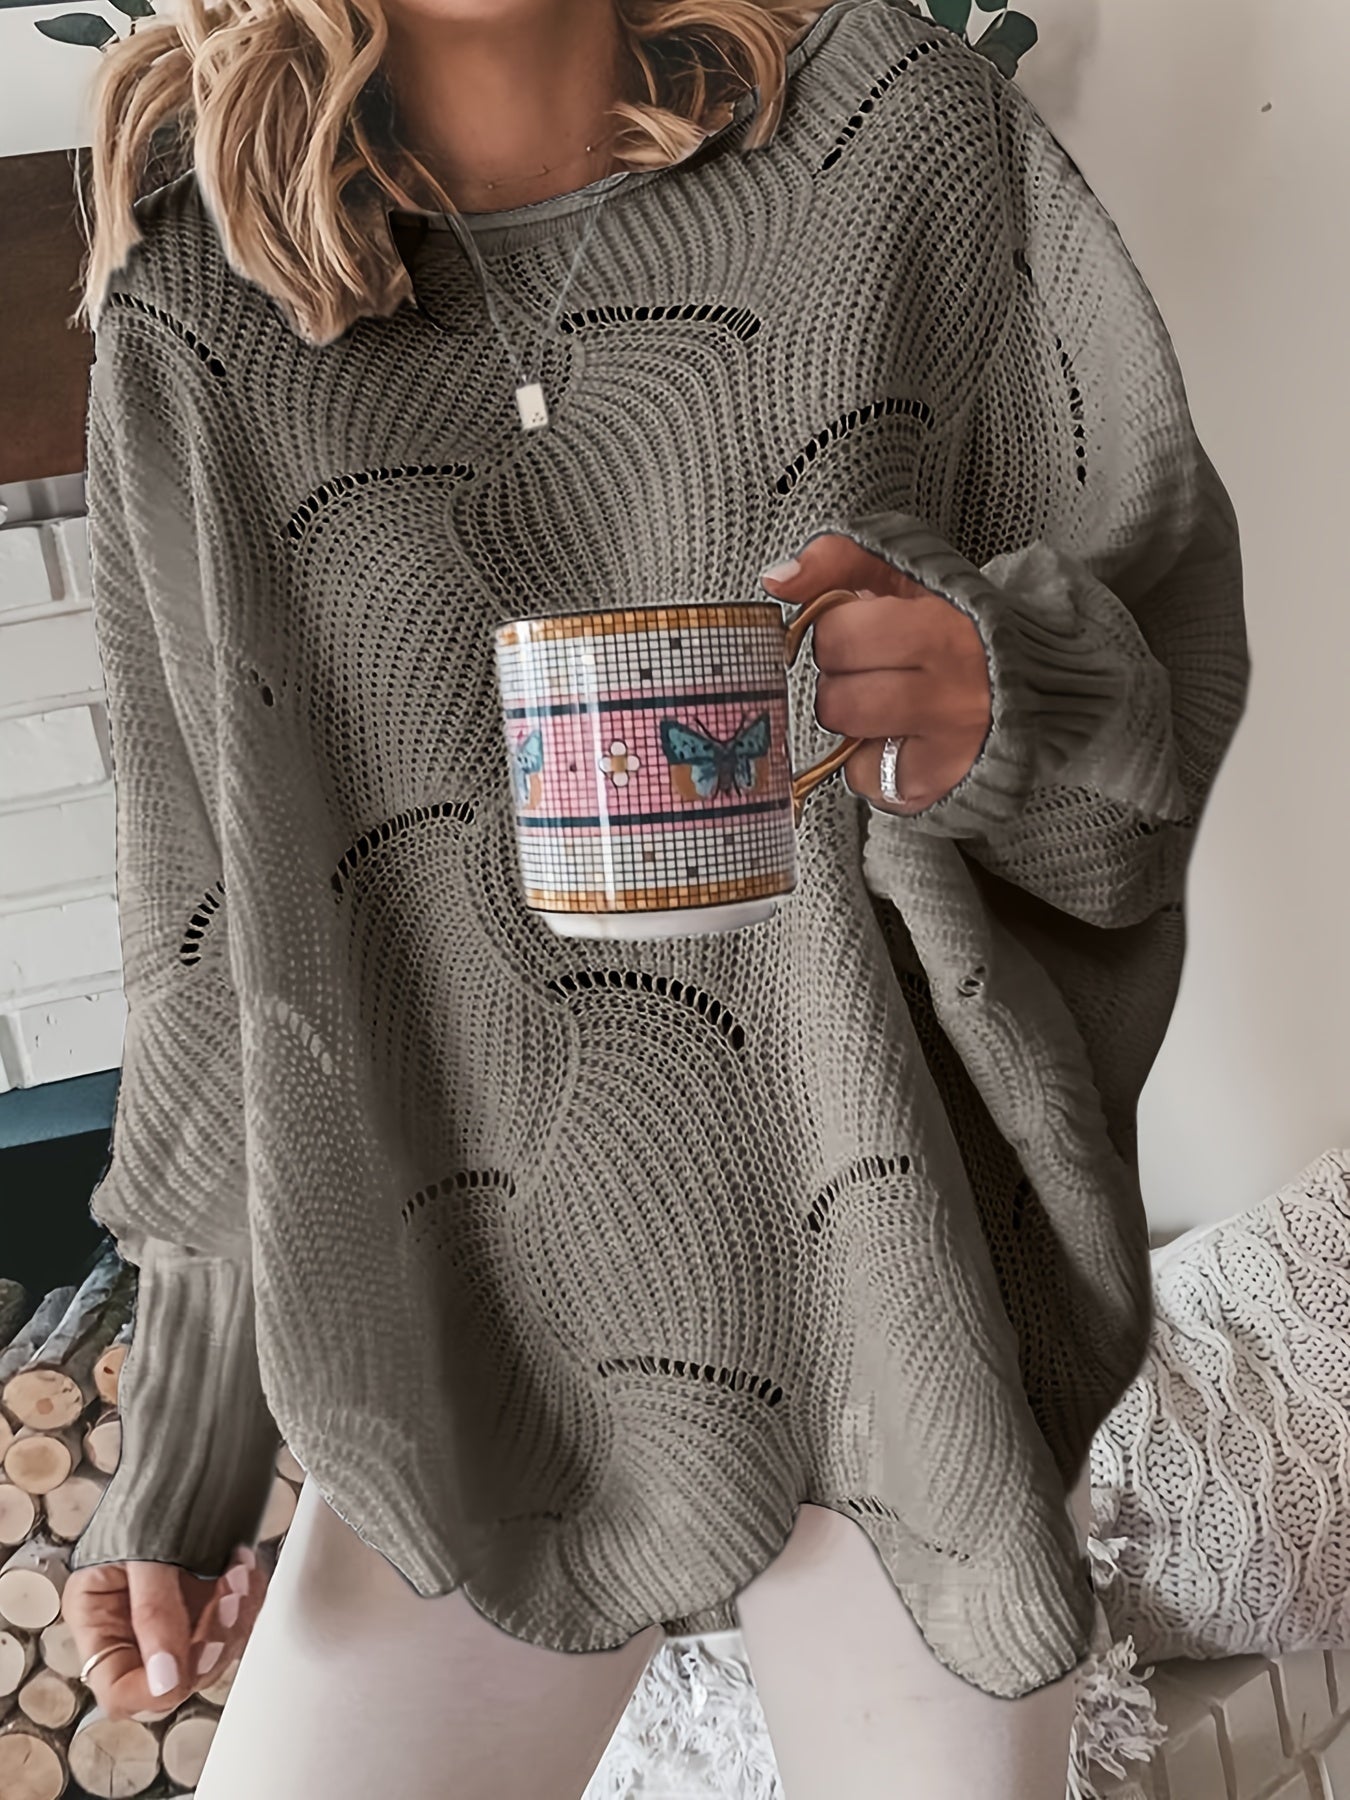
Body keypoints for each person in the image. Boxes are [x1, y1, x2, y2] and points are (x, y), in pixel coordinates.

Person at [58, 0, 1249, 1793]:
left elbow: (1143, 681)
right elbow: (215, 932)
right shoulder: (201, 296)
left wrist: (996, 698)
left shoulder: (895, 137)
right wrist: (190, 1447)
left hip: (896, 1293)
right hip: (469, 1332)